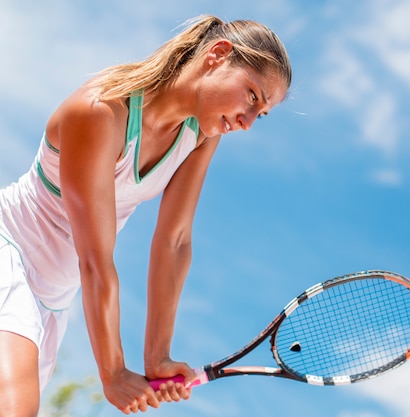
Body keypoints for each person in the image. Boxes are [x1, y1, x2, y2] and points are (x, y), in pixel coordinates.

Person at [0, 14, 291, 416]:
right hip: (10, 255)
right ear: (218, 55)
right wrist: (113, 372)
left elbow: (175, 240)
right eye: (252, 96)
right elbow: (95, 261)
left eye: (262, 114)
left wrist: (158, 356)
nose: (248, 122)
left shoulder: (201, 134)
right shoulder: (101, 111)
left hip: (52, 301)